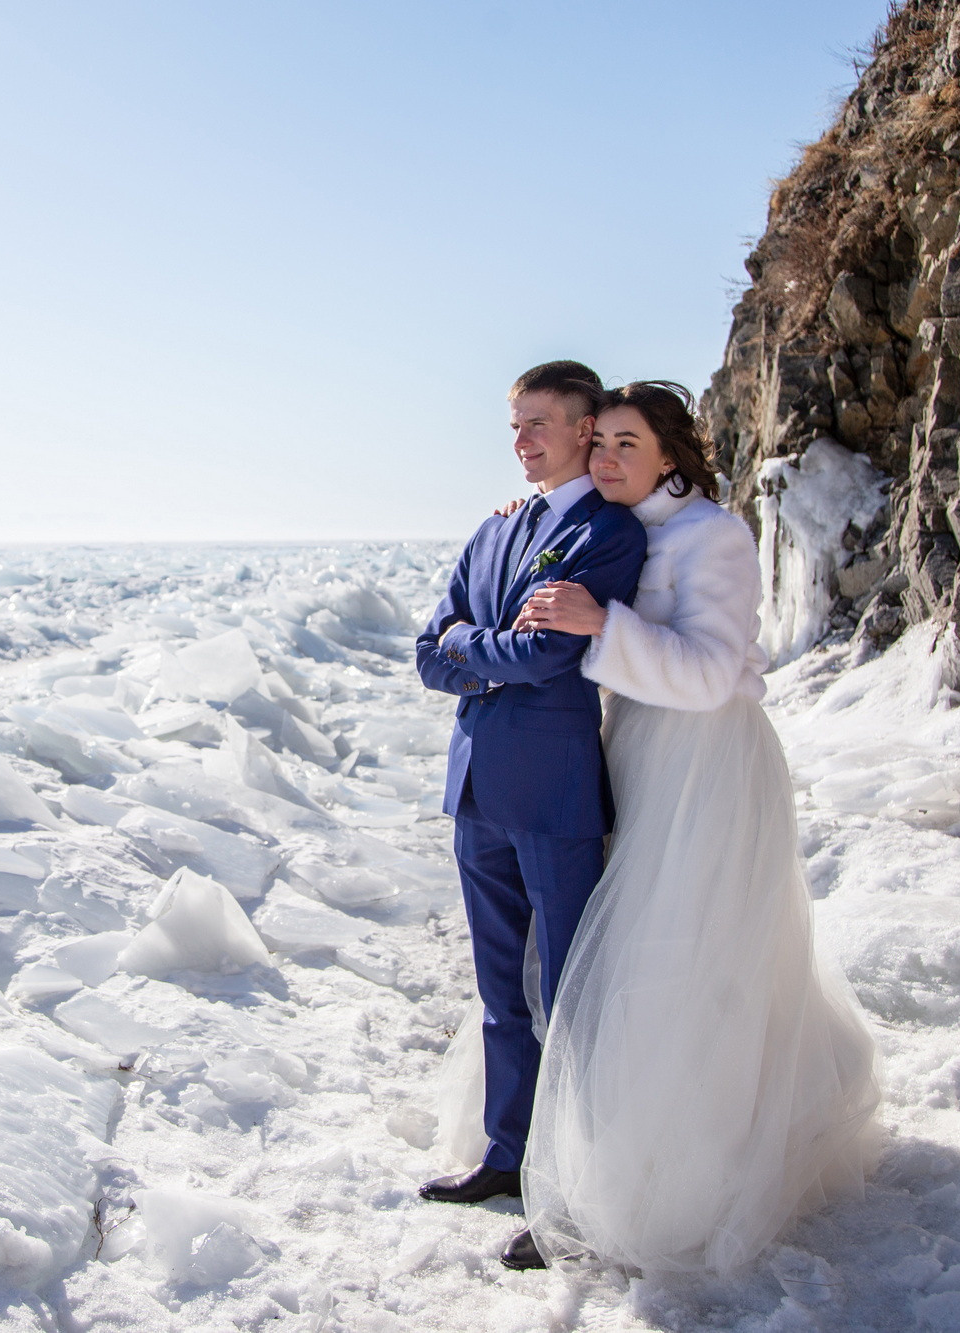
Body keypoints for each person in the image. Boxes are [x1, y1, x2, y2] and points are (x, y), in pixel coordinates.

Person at [502, 381, 880, 1273]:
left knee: (674, 966)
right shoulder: (622, 523)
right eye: (600, 446)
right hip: (640, 754)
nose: (606, 462)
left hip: (705, 766)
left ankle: (660, 1189)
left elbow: (714, 674)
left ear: (671, 454)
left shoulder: (715, 535)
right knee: (625, 960)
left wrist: (605, 624)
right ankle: (599, 1162)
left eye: (628, 445)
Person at [412, 361, 648, 1215]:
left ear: (586, 428)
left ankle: (575, 1185)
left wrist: (469, 652)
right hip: (476, 790)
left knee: (571, 995)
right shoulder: (492, 529)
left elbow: (550, 654)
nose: (522, 441)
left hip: (553, 794)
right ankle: (508, 1155)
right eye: (515, 425)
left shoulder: (610, 534)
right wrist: (481, 648)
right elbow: (427, 651)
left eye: (538, 423)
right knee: (501, 991)